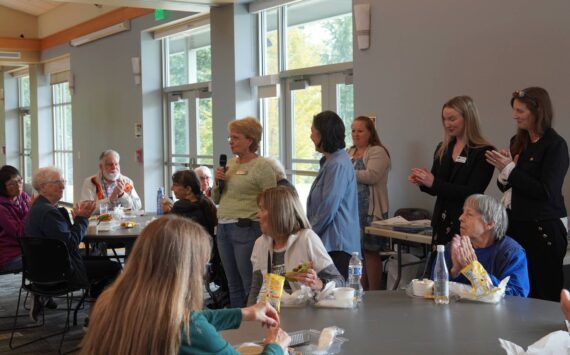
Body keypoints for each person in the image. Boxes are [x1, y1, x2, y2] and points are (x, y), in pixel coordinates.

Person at [80, 215, 290, 355]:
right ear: (186, 271)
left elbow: (189, 318)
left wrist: (244, 313)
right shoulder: (190, 330)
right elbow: (191, 323)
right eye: (202, 264)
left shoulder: (109, 302)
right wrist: (275, 347)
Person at [485, 87, 569, 301]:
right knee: (516, 287)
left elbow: (546, 191)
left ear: (538, 111)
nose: (515, 116)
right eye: (515, 110)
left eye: (521, 111)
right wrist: (504, 171)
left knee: (543, 289)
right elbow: (509, 188)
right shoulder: (518, 141)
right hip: (517, 224)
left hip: (543, 228)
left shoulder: (555, 145)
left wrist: (510, 169)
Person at [25, 167, 121, 321]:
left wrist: (76, 220)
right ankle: (97, 318)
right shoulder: (48, 212)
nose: (63, 186)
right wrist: (82, 219)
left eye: (63, 181)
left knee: (97, 256)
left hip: (42, 268)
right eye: (57, 182)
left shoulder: (40, 207)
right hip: (58, 271)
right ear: (43, 187)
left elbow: (61, 238)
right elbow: (71, 243)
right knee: (113, 267)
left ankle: (94, 308)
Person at [409, 96, 494, 246]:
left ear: (468, 118)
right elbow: (436, 188)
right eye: (444, 119)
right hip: (441, 220)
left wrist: (433, 182)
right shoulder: (443, 148)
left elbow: (473, 192)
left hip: (465, 223)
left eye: (452, 119)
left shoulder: (483, 152)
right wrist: (423, 181)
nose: (447, 124)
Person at [214, 117, 276, 307]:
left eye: (236, 137)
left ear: (250, 140)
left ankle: (253, 325)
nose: (231, 141)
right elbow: (217, 199)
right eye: (230, 138)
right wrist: (218, 182)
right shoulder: (230, 165)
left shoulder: (262, 166)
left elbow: (272, 200)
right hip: (223, 227)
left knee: (249, 283)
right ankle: (236, 326)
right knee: (232, 284)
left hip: (246, 227)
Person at [248, 187, 344, 305]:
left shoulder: (307, 239)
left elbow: (340, 281)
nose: (257, 215)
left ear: (277, 213)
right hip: (273, 317)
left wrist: (318, 283)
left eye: (262, 209)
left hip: (306, 316)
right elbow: (256, 290)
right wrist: (249, 321)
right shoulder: (260, 244)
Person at [434, 194, 529, 297]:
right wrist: (454, 272)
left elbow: (517, 295)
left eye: (469, 214)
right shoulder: (455, 247)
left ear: (489, 223)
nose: (460, 218)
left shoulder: (511, 252)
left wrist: (475, 271)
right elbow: (433, 288)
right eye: (463, 212)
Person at [306, 110, 360, 280]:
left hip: (337, 244)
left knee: (335, 297)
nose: (310, 136)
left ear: (324, 134)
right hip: (331, 242)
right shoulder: (330, 161)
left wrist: (308, 235)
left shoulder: (337, 164)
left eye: (313, 132)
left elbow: (328, 207)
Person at [347, 116, 391, 291]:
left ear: (370, 132)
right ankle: (361, 291)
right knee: (357, 254)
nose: (355, 135)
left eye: (360, 131)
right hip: (352, 211)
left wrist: (347, 172)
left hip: (371, 211)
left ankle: (374, 292)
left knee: (371, 253)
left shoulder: (377, 152)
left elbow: (372, 176)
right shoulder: (348, 152)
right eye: (353, 131)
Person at [162, 169, 217, 236]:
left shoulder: (180, 207)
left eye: (175, 185)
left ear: (188, 189)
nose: (172, 189)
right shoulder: (208, 202)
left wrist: (166, 212)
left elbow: (168, 231)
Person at [0, 165, 31, 273]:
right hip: (11, 255)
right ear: (3, 187)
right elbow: (19, 232)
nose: (18, 186)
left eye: (19, 181)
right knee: (49, 259)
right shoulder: (1, 207)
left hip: (27, 248)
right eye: (12, 184)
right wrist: (31, 211)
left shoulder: (23, 196)